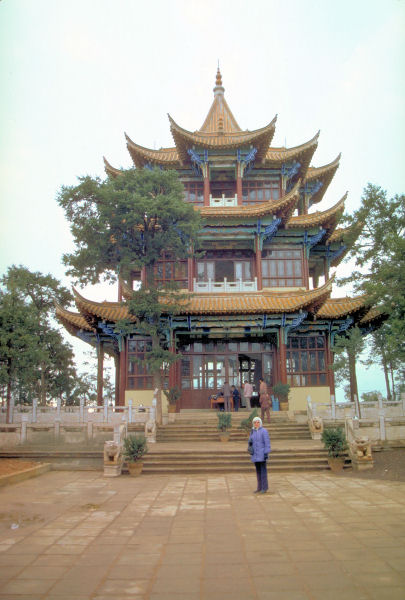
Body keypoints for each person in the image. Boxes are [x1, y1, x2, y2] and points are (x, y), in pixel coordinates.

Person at [248, 416, 271, 494]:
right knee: (258, 472)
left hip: (262, 455)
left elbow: (267, 443)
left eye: (258, 422)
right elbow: (250, 442)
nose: (256, 423)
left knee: (263, 472)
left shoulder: (264, 431)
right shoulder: (252, 431)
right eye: (255, 422)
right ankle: (259, 487)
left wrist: (266, 453)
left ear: (260, 423)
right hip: (255, 455)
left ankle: (265, 487)